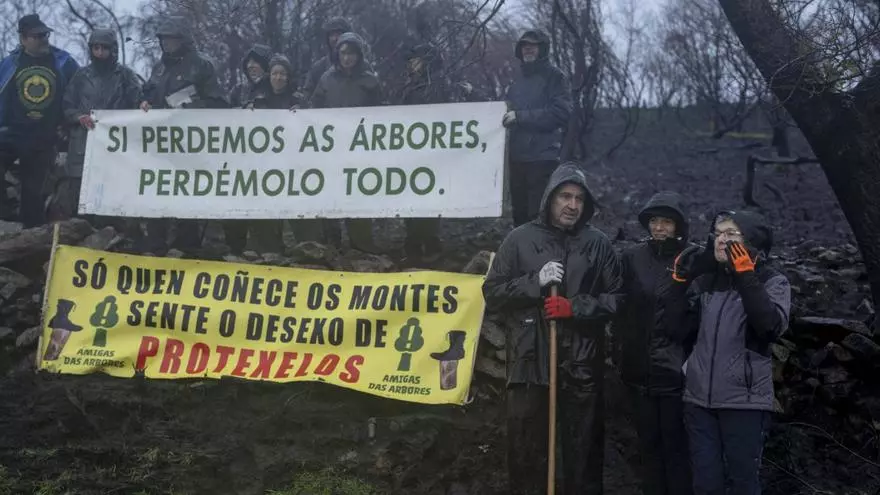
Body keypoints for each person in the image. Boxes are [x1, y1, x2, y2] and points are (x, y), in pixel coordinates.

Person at [482, 161, 623, 495]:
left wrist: (575, 307)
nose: (572, 205)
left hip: (581, 365)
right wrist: (536, 281)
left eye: (579, 199)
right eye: (565, 196)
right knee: (526, 455)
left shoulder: (598, 244)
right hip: (530, 363)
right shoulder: (520, 239)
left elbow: (618, 299)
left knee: (583, 456)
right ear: (549, 198)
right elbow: (493, 292)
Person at [668, 209, 791, 495]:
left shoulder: (773, 281)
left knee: (743, 485)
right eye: (718, 233)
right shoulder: (707, 281)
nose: (721, 239)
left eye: (731, 233)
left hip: (744, 403)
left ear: (752, 240)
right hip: (699, 402)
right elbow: (675, 330)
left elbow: (769, 327)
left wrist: (746, 276)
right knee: (705, 485)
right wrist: (679, 283)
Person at [613, 191, 694, 495]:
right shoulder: (632, 258)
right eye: (654, 221)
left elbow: (698, 314)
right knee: (648, 446)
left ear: (679, 226)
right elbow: (622, 308)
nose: (659, 227)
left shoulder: (692, 258)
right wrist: (621, 354)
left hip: (676, 374)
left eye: (667, 222)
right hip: (639, 372)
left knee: (677, 448)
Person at [138, 15, 226, 255]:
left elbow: (219, 103)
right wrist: (145, 102)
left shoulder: (202, 65)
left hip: (191, 145)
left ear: (183, 39)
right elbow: (148, 95)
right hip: (161, 145)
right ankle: (156, 248)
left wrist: (187, 107)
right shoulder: (158, 68)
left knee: (186, 196)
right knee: (157, 193)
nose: (167, 43)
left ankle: (187, 249)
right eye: (163, 39)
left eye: (172, 38)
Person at [55, 28, 142, 226]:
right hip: (83, 143)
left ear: (113, 49)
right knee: (79, 197)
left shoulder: (125, 76)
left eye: (104, 48)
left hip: (114, 145)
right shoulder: (81, 76)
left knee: (111, 198)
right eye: (96, 48)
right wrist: (78, 117)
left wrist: (142, 105)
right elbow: (67, 106)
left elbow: (138, 103)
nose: (100, 52)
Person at [0, 14, 79, 228]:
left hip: (44, 136)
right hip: (11, 134)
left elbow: (80, 91)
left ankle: (32, 239)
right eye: (37, 36)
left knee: (33, 195)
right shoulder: (9, 64)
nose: (44, 39)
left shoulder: (64, 62)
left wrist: (68, 123)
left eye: (45, 35)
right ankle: (7, 211)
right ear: (23, 39)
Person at [310, 32, 383, 254]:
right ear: (337, 55)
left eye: (351, 53)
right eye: (343, 53)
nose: (347, 58)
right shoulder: (326, 79)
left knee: (358, 194)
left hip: (360, 150)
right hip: (332, 149)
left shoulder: (370, 81)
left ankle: (361, 243)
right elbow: (314, 109)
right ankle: (331, 241)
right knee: (329, 193)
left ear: (358, 55)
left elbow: (382, 115)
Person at [223, 54, 298, 256]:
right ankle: (260, 249)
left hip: (289, 164)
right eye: (275, 73)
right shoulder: (258, 98)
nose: (278, 78)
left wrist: (302, 113)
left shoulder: (297, 98)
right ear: (269, 75)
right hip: (259, 164)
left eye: (283, 74)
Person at [503, 29, 572, 229]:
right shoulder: (516, 80)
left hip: (542, 157)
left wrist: (520, 117)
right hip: (517, 157)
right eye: (524, 46)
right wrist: (473, 94)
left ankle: (542, 248)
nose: (528, 49)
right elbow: (504, 109)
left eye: (533, 46)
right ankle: (522, 248)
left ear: (542, 49)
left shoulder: (555, 77)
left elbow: (560, 113)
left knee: (539, 214)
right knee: (519, 214)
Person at [300, 17, 351, 102]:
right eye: (332, 35)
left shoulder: (361, 66)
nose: (335, 38)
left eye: (339, 34)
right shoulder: (318, 68)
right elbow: (307, 98)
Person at [228, 44, 271, 109]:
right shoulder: (238, 91)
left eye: (255, 61)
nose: (250, 65)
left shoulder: (274, 89)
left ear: (265, 65)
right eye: (248, 62)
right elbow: (229, 112)